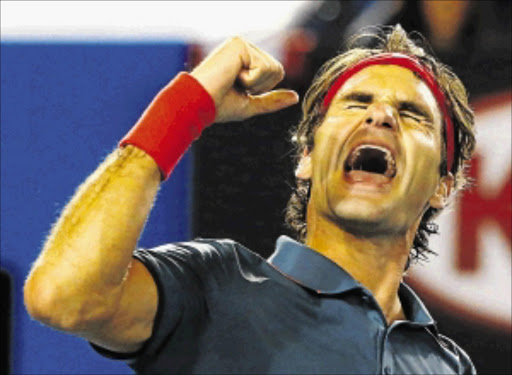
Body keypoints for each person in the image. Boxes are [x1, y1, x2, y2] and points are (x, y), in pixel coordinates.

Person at [24, 25, 476, 374]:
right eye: (356, 103)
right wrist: (184, 109)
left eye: (412, 114)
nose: (380, 115)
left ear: (443, 184)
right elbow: (62, 298)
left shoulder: (447, 365)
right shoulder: (214, 282)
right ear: (308, 158)